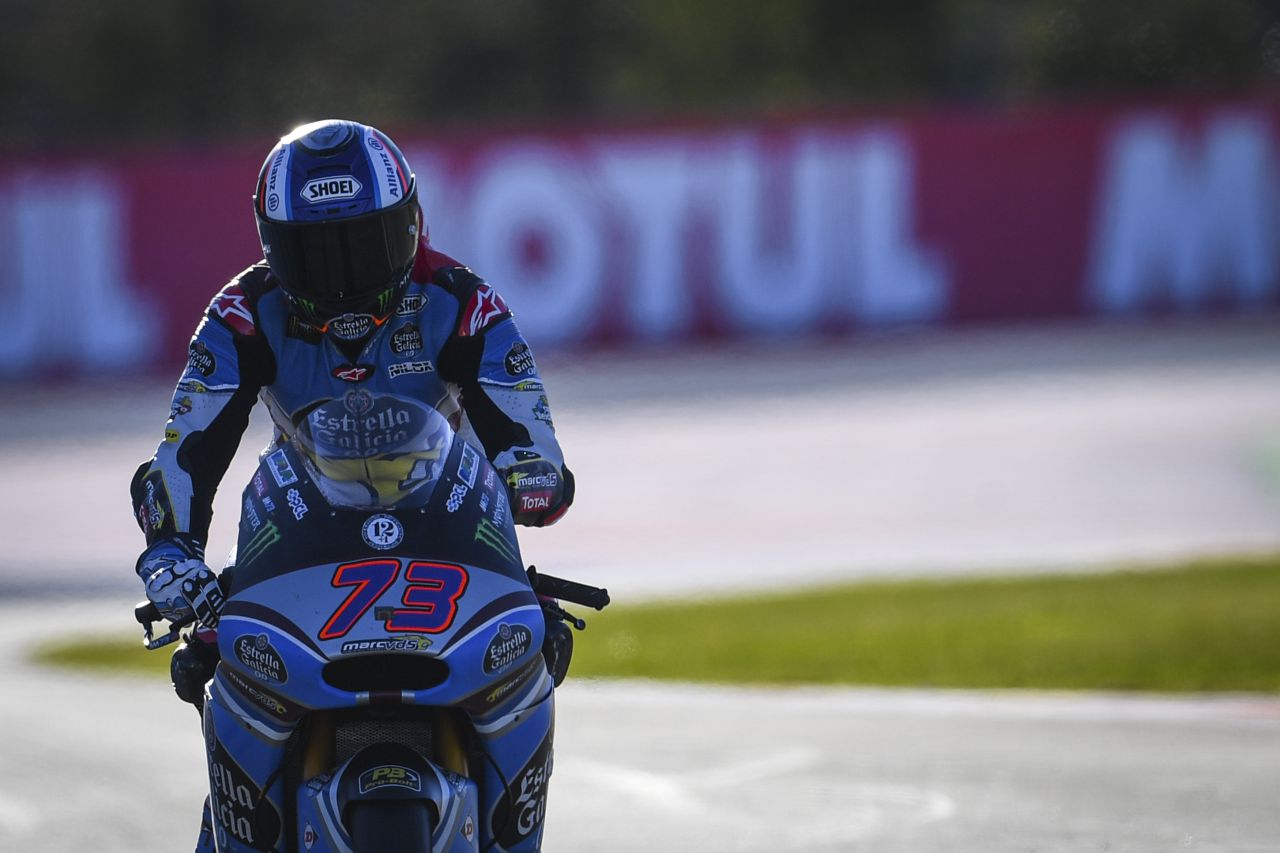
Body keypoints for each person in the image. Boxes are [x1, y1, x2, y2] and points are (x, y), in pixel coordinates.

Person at [130, 118, 573, 852]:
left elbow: (530, 430)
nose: (342, 278)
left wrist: (533, 473)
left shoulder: (463, 301)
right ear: (272, 247)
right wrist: (171, 548)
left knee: (530, 657)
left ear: (410, 225)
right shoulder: (242, 312)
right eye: (314, 254)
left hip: (449, 536)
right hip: (299, 541)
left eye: (363, 246)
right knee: (229, 685)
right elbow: (186, 448)